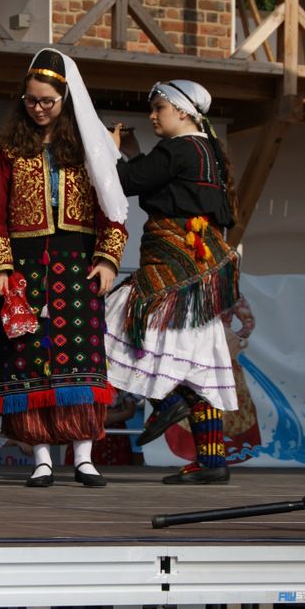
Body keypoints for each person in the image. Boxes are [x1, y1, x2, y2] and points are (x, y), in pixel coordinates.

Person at [0, 48, 128, 488]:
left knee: (80, 359)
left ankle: (83, 457)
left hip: (77, 266)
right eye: (30, 100)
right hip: (23, 267)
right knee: (26, 360)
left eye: (47, 101)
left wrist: (108, 259)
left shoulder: (87, 148)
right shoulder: (10, 150)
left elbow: (112, 207)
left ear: (66, 99)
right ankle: (41, 458)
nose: (38, 108)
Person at [105, 79, 240, 484]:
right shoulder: (207, 151)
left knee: (109, 327)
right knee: (196, 359)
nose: (152, 116)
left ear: (182, 112)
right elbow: (159, 182)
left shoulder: (179, 149)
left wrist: (109, 151)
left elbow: (126, 182)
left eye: (158, 108)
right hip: (197, 271)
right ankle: (212, 462)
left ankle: (168, 403)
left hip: (172, 268)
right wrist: (133, 156)